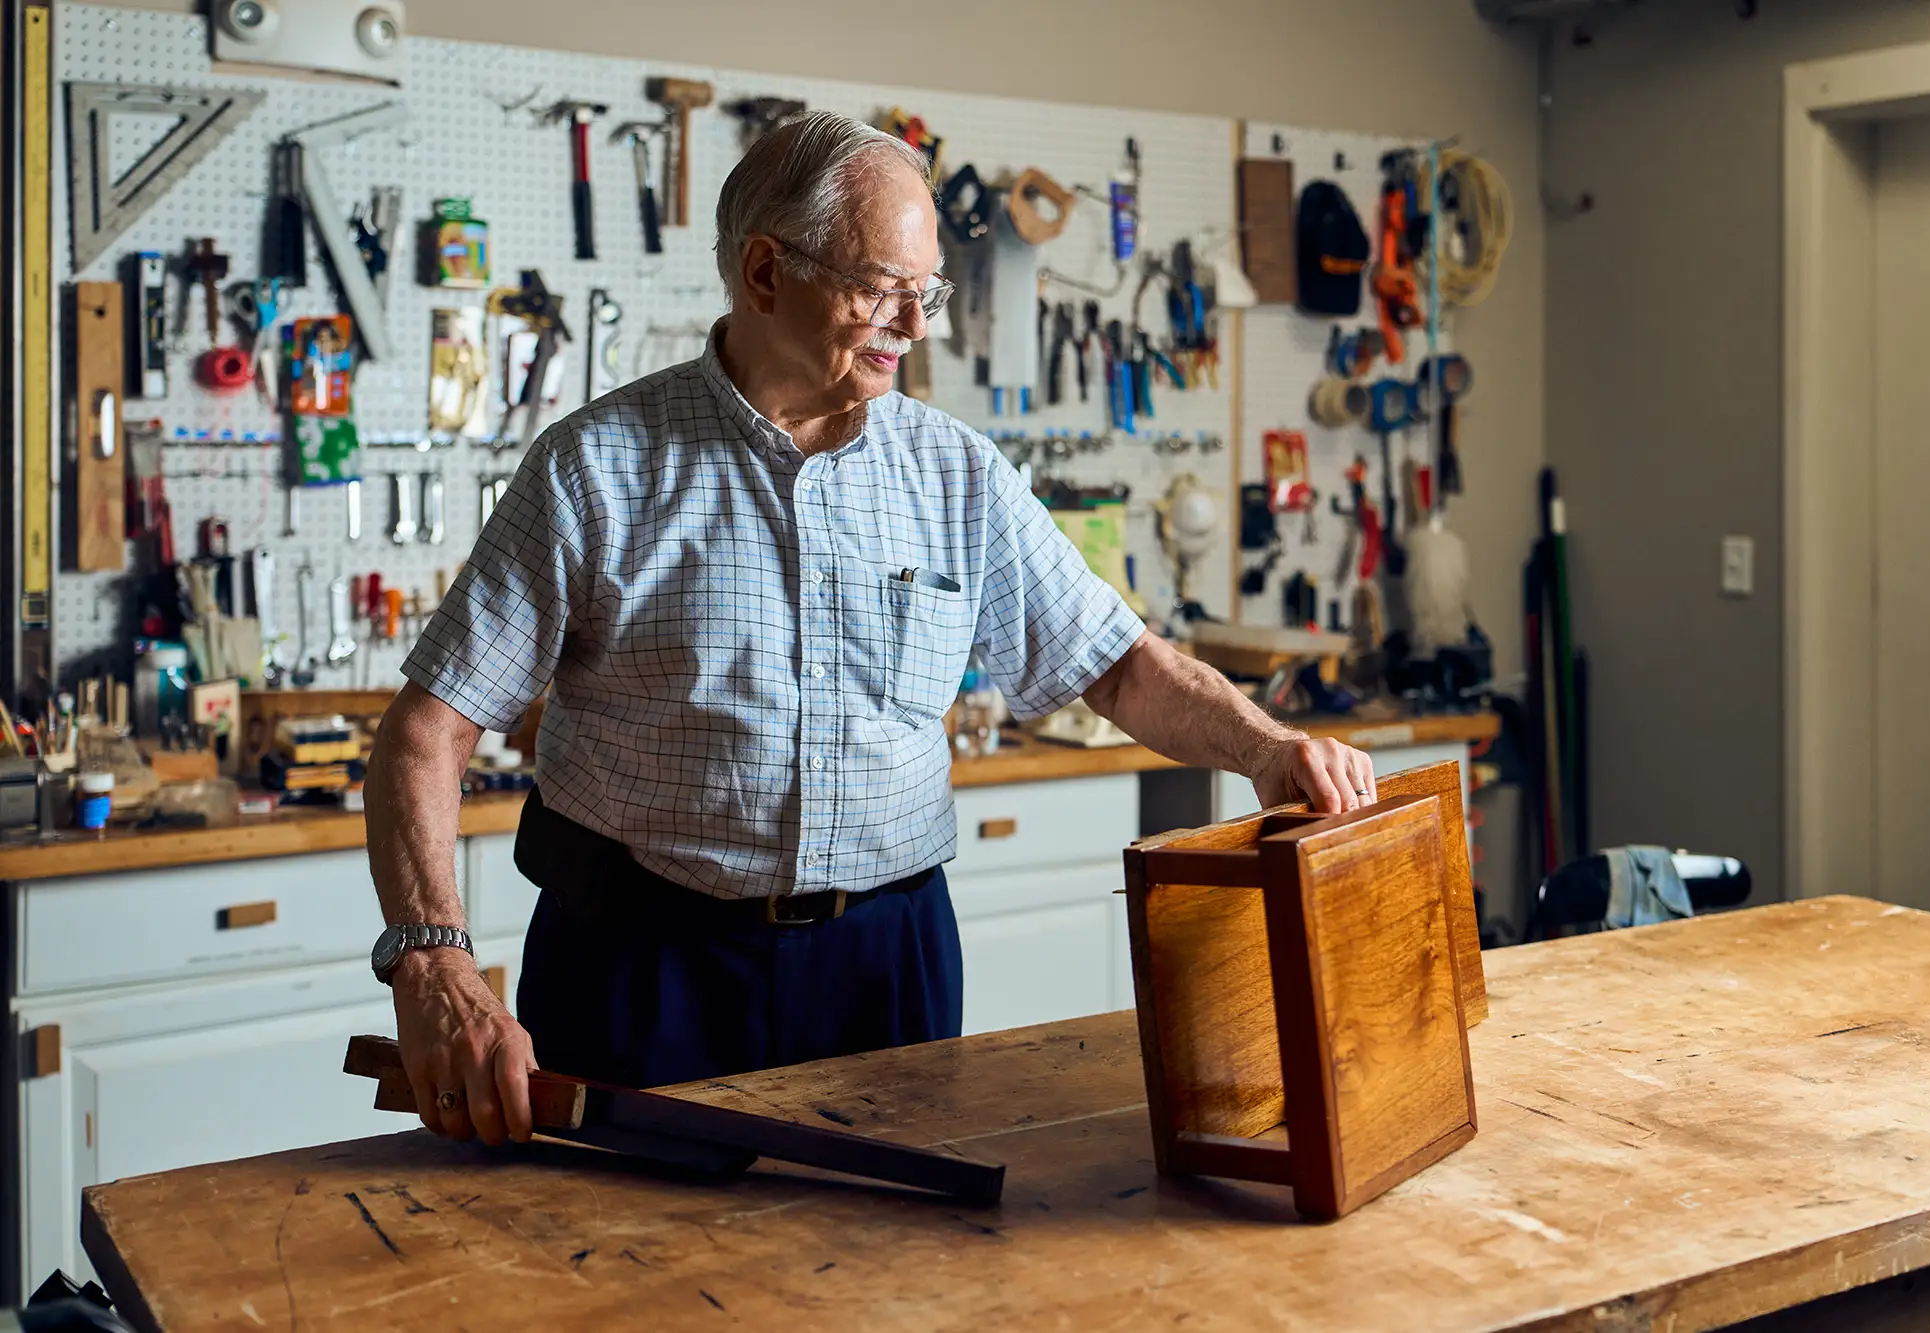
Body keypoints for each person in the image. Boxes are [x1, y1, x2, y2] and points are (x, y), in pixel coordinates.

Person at [363, 111, 1378, 1148]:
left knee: (893, 1289)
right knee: (625, 1284)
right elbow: (426, 734)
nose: (916, 321)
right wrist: (432, 956)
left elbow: (1116, 666)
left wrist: (1268, 748)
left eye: (925, 289)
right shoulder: (595, 467)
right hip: (640, 964)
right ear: (765, 273)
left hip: (885, 966)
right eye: (881, 286)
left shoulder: (955, 471)